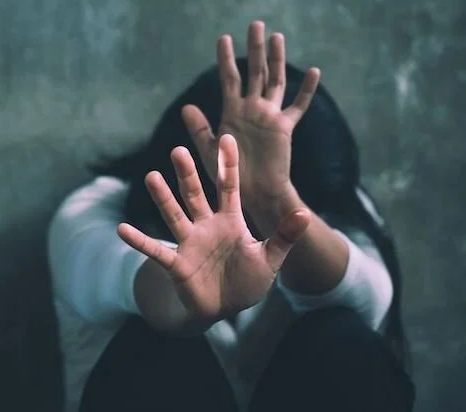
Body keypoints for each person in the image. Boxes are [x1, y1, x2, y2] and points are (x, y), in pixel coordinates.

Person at [48, 21, 415, 412]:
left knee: (344, 338)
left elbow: (368, 301)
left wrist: (273, 198)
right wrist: (187, 297)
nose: (252, 237)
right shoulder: (92, 211)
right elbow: (121, 271)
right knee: (156, 345)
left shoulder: (335, 200)